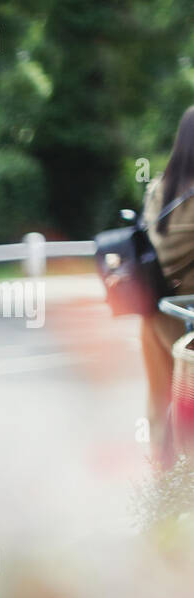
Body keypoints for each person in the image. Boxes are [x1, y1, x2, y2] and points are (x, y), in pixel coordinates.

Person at [141, 105, 194, 467]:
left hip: (154, 315)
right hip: (188, 320)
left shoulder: (160, 189)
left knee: (161, 406)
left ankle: (161, 494)